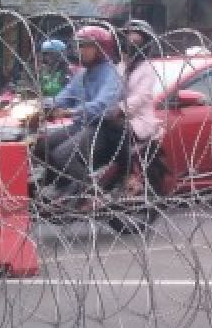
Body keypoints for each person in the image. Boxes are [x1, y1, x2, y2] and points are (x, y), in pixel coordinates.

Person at [41, 26, 124, 201]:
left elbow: (104, 105)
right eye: (78, 46)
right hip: (81, 125)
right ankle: (62, 184)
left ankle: (92, 193)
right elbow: (65, 96)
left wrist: (71, 112)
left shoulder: (110, 73)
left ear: (101, 48)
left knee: (63, 153)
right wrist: (37, 104)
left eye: (86, 46)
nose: (80, 51)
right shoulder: (84, 73)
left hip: (102, 128)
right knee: (41, 144)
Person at [114, 24, 165, 197]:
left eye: (136, 40)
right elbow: (112, 90)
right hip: (118, 118)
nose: (131, 43)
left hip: (138, 122)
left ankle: (127, 176)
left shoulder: (147, 69)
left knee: (116, 132)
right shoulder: (120, 66)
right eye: (128, 39)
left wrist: (119, 108)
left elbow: (142, 96)